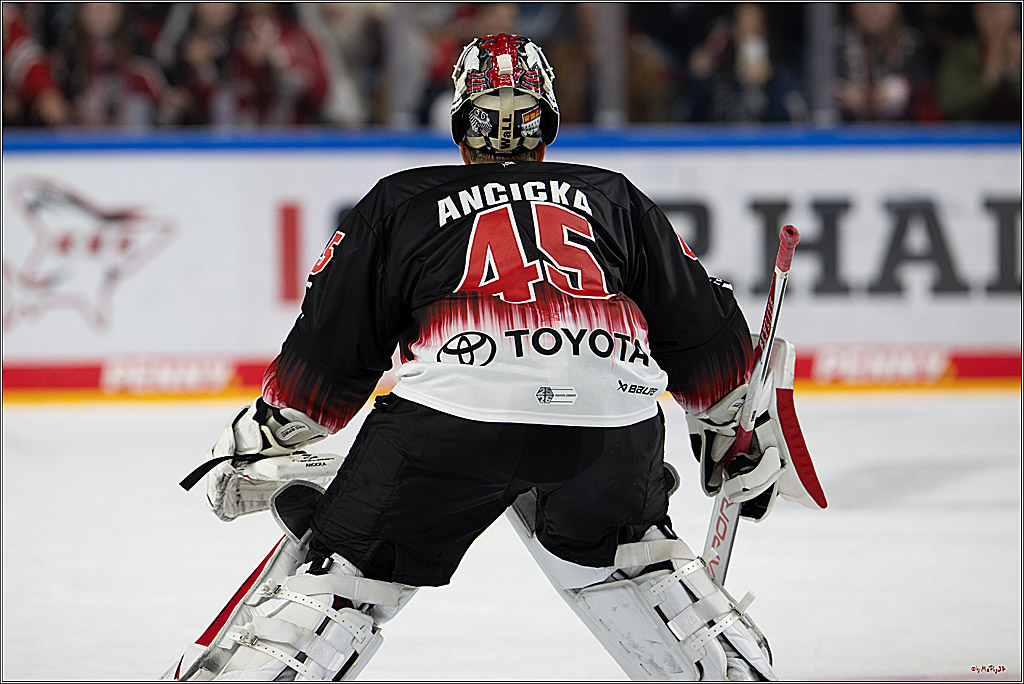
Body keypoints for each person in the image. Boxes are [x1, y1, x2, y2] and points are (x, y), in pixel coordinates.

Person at [165, 33, 821, 682]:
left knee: (342, 584)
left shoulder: (404, 199)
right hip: (612, 427)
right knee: (635, 554)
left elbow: (335, 344)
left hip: (451, 422)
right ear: (550, 126)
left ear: (459, 126)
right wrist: (732, 423)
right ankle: (714, 648)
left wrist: (274, 425)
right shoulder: (613, 195)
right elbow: (704, 334)